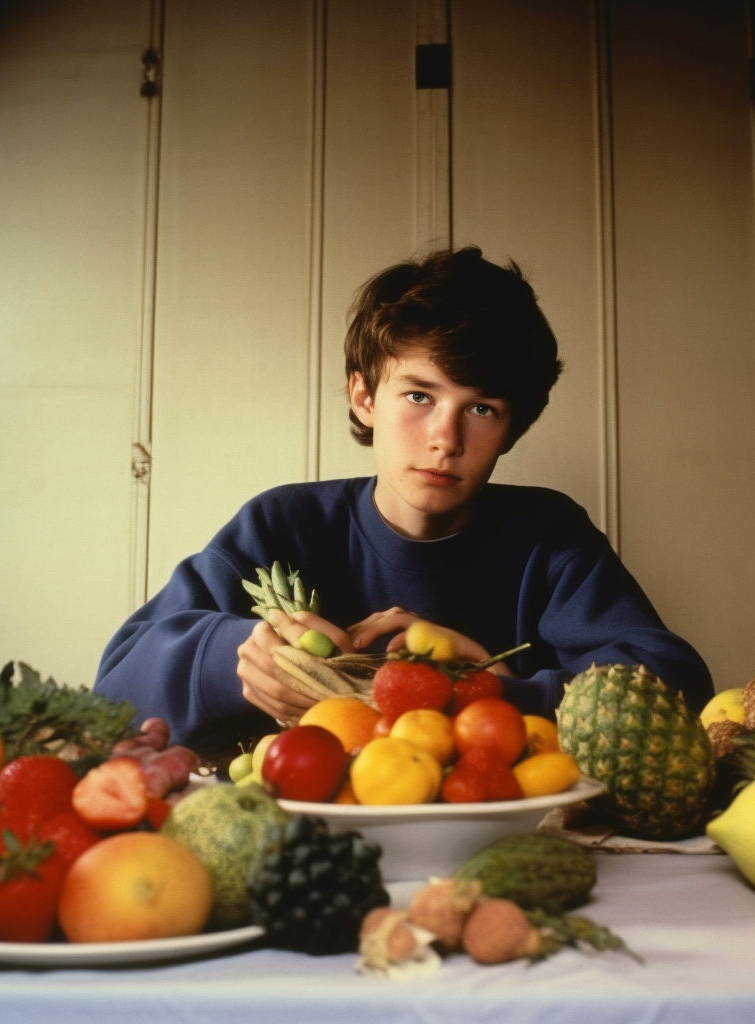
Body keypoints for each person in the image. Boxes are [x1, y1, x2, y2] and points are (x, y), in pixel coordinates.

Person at [94, 247, 713, 749]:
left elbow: (680, 688)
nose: (446, 438)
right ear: (363, 397)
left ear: (512, 427)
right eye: (418, 396)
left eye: (481, 408)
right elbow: (112, 692)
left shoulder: (546, 537)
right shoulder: (281, 525)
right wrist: (234, 661)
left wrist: (479, 691)